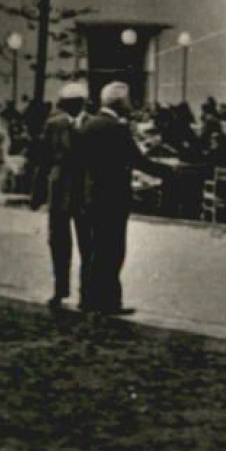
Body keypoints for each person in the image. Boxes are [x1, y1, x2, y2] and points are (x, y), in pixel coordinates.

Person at [76, 82, 171, 316]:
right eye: (127, 100)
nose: (130, 105)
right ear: (119, 103)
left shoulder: (87, 126)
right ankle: (109, 302)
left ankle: (88, 298)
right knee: (112, 250)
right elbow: (138, 161)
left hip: (90, 196)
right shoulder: (117, 128)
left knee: (92, 250)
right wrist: (169, 173)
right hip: (113, 197)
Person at [31, 81, 90, 310]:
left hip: (83, 191)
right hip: (60, 190)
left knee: (87, 243)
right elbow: (43, 161)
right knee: (59, 242)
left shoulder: (90, 125)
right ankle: (60, 289)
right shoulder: (54, 125)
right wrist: (37, 193)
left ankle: (85, 292)